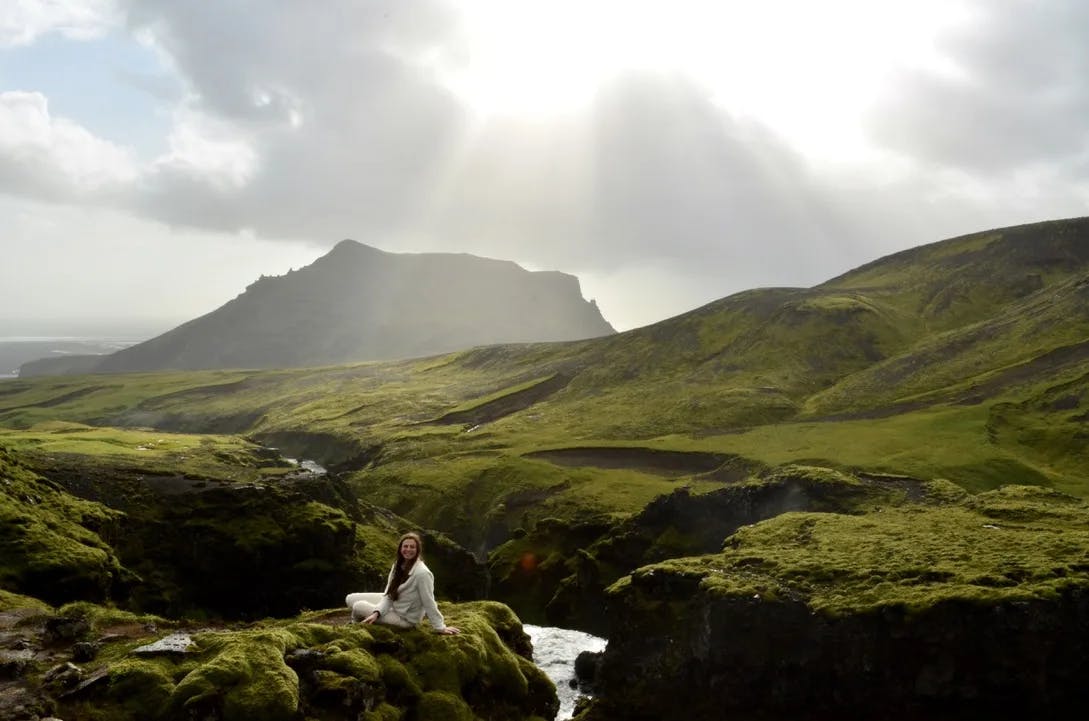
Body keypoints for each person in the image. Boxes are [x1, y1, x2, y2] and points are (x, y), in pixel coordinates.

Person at [345, 532, 460, 635]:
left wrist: (439, 627)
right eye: (405, 546)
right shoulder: (398, 565)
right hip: (394, 603)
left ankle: (354, 625)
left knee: (358, 606)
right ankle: (372, 616)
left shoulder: (422, 573)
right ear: (400, 548)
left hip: (405, 618)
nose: (408, 549)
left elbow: (428, 601)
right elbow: (388, 594)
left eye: (412, 547)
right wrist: (377, 612)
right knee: (350, 598)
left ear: (417, 550)